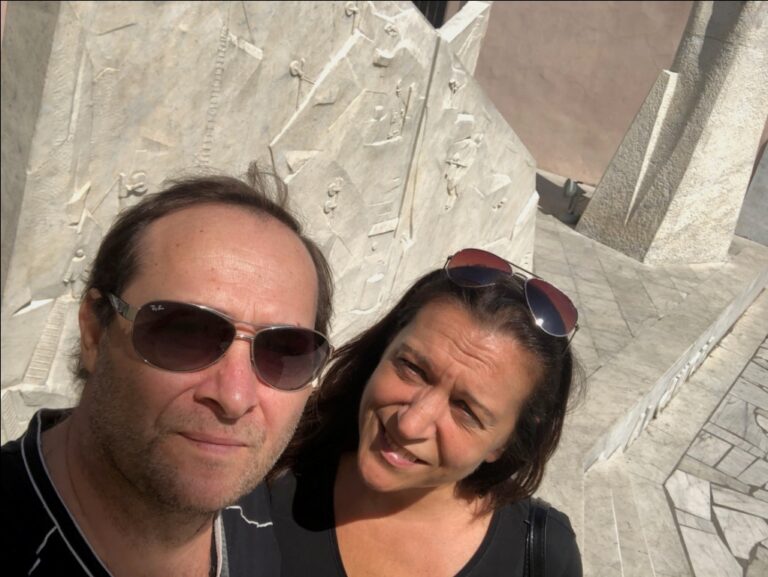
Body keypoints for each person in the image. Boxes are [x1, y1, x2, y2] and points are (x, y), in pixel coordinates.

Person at [1, 167, 334, 577]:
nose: (234, 398)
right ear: (94, 332)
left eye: (284, 351)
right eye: (184, 334)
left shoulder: (257, 511)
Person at [269, 248, 583, 577]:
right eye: (413, 369)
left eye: (466, 409)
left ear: (505, 443)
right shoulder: (275, 465)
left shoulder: (543, 557)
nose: (410, 424)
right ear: (384, 349)